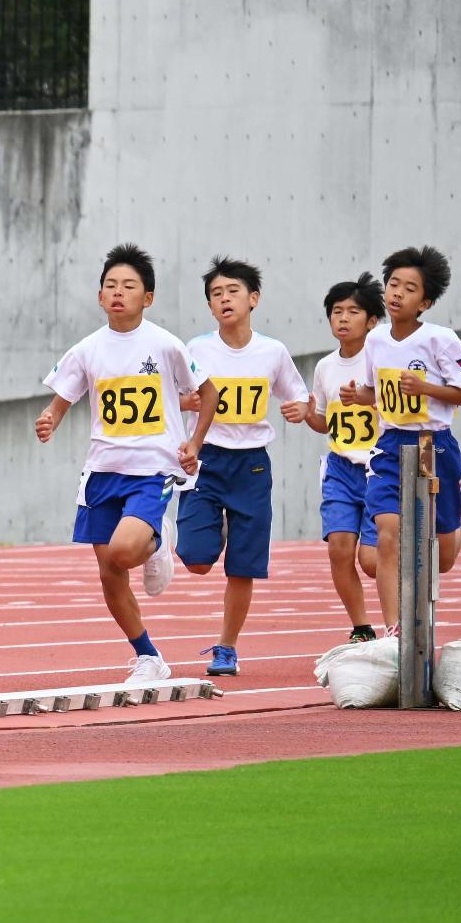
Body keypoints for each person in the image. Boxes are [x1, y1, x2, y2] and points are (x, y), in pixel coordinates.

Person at [35, 244, 216, 685]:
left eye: (129, 286)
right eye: (110, 286)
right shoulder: (88, 349)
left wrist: (193, 442)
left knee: (123, 551)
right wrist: (50, 418)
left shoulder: (165, 344)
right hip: (102, 470)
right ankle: (148, 657)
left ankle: (157, 539)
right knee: (109, 571)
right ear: (100, 297)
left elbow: (208, 394)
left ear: (147, 298)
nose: (118, 293)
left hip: (152, 467)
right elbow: (65, 397)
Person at [172, 257, 310, 677]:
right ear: (210, 307)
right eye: (216, 294)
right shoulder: (196, 350)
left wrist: (299, 408)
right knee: (196, 560)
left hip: (252, 465)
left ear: (254, 299)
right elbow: (170, 396)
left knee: (243, 566)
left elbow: (299, 394)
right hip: (207, 459)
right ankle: (218, 523)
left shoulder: (272, 352)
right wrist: (188, 402)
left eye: (232, 291)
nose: (224, 299)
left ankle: (226, 648)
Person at [341, 245, 461, 634]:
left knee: (443, 557)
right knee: (387, 536)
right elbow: (375, 392)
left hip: (436, 445)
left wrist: (425, 388)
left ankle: (458, 513)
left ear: (425, 302)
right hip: (389, 445)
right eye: (393, 284)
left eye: (409, 288)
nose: (397, 293)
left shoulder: (441, 340)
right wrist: (356, 397)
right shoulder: (376, 340)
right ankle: (394, 631)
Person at [305, 273, 385, 643]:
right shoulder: (324, 367)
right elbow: (325, 423)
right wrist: (307, 415)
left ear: (371, 321)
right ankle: (362, 626)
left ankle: (399, 619)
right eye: (337, 311)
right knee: (339, 549)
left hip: (379, 467)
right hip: (339, 468)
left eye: (353, 311)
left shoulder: (382, 362)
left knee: (371, 562)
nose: (343, 318)